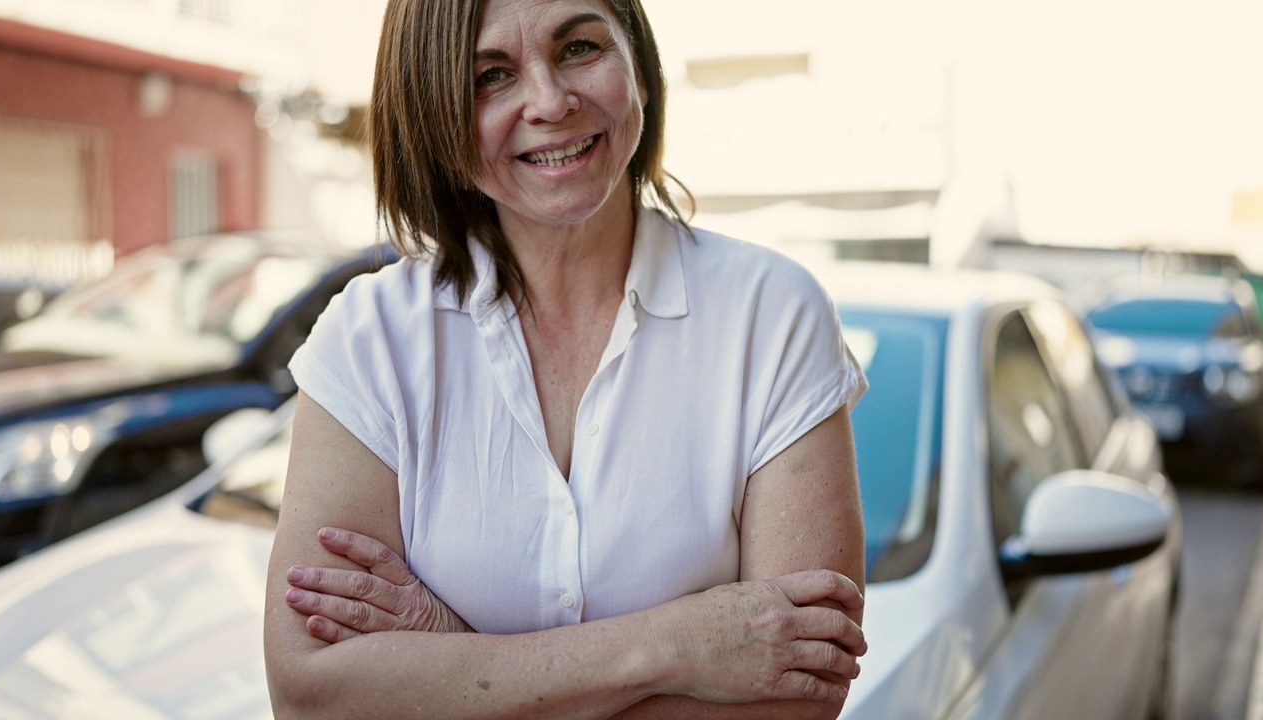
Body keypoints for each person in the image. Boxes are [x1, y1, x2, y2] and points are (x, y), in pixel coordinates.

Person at [263, 0, 869, 717]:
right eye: (491, 76)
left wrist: (448, 658)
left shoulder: (774, 315)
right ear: (435, 118)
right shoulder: (368, 340)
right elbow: (311, 697)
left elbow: (801, 695)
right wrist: (675, 644)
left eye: (580, 48)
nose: (550, 102)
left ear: (638, 68)